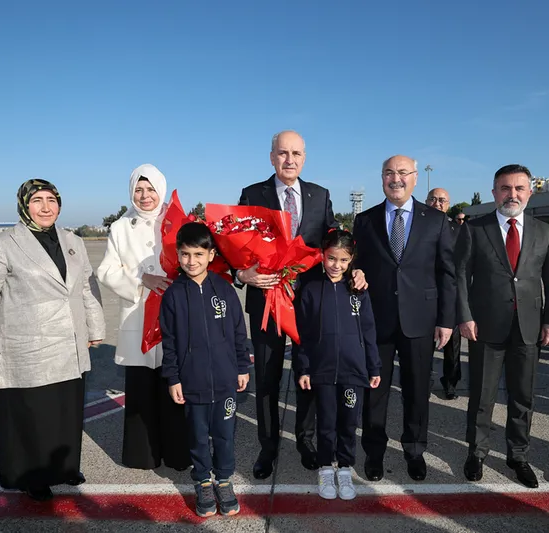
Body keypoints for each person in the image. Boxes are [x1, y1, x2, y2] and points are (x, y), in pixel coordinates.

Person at [0, 179, 105, 501]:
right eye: (37, 200)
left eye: (52, 200)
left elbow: (86, 286)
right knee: (34, 414)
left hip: (70, 342)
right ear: (23, 205)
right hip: (29, 343)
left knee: (66, 410)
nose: (46, 207)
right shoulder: (4, 243)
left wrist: (95, 328)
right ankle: (33, 475)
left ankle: (66, 467)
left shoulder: (73, 241)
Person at [237, 130, 365, 479]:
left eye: (296, 153)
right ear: (271, 156)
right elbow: (234, 244)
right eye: (282, 153)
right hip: (266, 302)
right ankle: (268, 447)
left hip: (310, 305)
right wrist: (241, 274)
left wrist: (355, 267)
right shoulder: (252, 194)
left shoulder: (319, 195)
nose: (289, 159)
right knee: (266, 378)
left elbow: (333, 241)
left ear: (304, 158)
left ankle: (305, 440)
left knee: (309, 374)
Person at [454, 165, 549, 488]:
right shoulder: (475, 229)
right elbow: (460, 276)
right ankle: (477, 453)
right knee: (482, 396)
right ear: (493, 193)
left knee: (523, 396)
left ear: (530, 192)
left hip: (529, 328)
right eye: (505, 188)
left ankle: (518, 455)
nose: (512, 194)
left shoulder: (544, 232)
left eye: (519, 188)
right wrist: (464, 315)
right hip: (485, 326)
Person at [353, 155, 455, 482]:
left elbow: (447, 274)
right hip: (377, 321)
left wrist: (446, 320)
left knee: (416, 390)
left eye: (402, 173)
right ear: (381, 178)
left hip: (421, 321)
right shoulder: (364, 220)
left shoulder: (436, 220)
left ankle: (414, 450)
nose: (395, 179)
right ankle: (374, 452)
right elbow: (358, 265)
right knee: (375, 391)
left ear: (414, 177)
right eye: (388, 173)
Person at [96, 164, 190, 472]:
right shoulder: (120, 228)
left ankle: (177, 453)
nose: (145, 195)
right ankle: (142, 454)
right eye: (139, 189)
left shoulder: (177, 220)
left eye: (150, 189)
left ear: (161, 190)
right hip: (138, 315)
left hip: (174, 315)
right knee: (141, 391)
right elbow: (107, 271)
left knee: (175, 386)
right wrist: (141, 280)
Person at [160, 223, 249, 518]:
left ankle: (223, 479)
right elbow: (169, 342)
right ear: (178, 255)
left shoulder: (223, 289)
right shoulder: (173, 296)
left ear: (211, 255)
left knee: (224, 434)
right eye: (185, 254)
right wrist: (173, 378)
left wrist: (241, 366)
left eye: (199, 253)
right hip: (193, 382)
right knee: (198, 436)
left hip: (225, 381)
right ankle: (203, 481)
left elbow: (238, 332)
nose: (191, 261)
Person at [293, 229, 382, 500]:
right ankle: (324, 468)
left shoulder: (358, 290)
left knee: (348, 423)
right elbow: (302, 334)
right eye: (332, 258)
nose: (337, 265)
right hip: (321, 371)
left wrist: (373, 366)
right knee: (326, 423)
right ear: (322, 255)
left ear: (352, 260)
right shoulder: (309, 289)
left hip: (353, 372)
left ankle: (344, 467)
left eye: (343, 260)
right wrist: (304, 367)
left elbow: (368, 331)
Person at [426, 188, 462, 400]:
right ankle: (423, 380)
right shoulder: (416, 225)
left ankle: (450, 383)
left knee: (453, 347)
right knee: (423, 346)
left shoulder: (458, 230)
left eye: (442, 200)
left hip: (451, 296)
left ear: (448, 204)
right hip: (424, 296)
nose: (437, 203)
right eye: (433, 199)